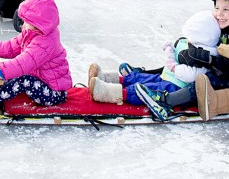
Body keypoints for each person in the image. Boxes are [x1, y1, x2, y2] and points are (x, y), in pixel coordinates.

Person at [116, 0, 229, 120]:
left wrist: (208, 60)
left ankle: (167, 101)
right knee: (182, 59)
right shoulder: (225, 27)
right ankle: (143, 74)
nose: (219, 14)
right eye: (217, 8)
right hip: (221, 68)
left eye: (225, 9)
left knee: (208, 79)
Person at [86, 10, 220, 109]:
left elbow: (191, 76)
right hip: (165, 77)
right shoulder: (188, 42)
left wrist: (172, 65)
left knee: (144, 89)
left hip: (175, 87)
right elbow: (176, 50)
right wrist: (170, 49)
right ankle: (108, 79)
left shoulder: (204, 56)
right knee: (141, 78)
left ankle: (108, 93)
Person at [0, 0, 72, 107]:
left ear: (37, 24)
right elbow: (14, 45)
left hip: (53, 93)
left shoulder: (46, 43)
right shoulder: (34, 32)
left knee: (23, 79)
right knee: (12, 73)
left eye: (26, 21)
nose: (23, 25)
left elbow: (23, 63)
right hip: (41, 81)